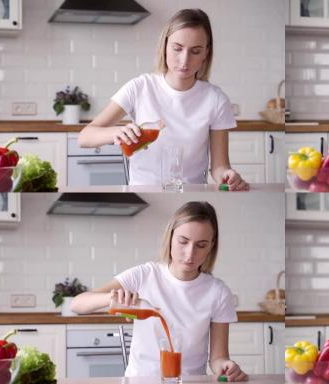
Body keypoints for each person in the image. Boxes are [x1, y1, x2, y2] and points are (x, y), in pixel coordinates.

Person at [71, 201, 248, 381]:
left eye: (201, 245)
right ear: (170, 238)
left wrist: (225, 366)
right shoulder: (144, 275)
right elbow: (77, 304)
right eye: (183, 241)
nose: (189, 254)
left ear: (212, 245)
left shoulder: (218, 292)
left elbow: (218, 358)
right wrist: (111, 297)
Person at [78, 9, 248, 191]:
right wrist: (116, 133)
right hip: (143, 192)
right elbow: (85, 137)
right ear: (164, 46)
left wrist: (227, 175)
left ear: (206, 52)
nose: (185, 60)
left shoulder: (216, 100)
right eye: (177, 48)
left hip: (192, 194)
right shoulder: (139, 87)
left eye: (195, 51)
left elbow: (219, 166)